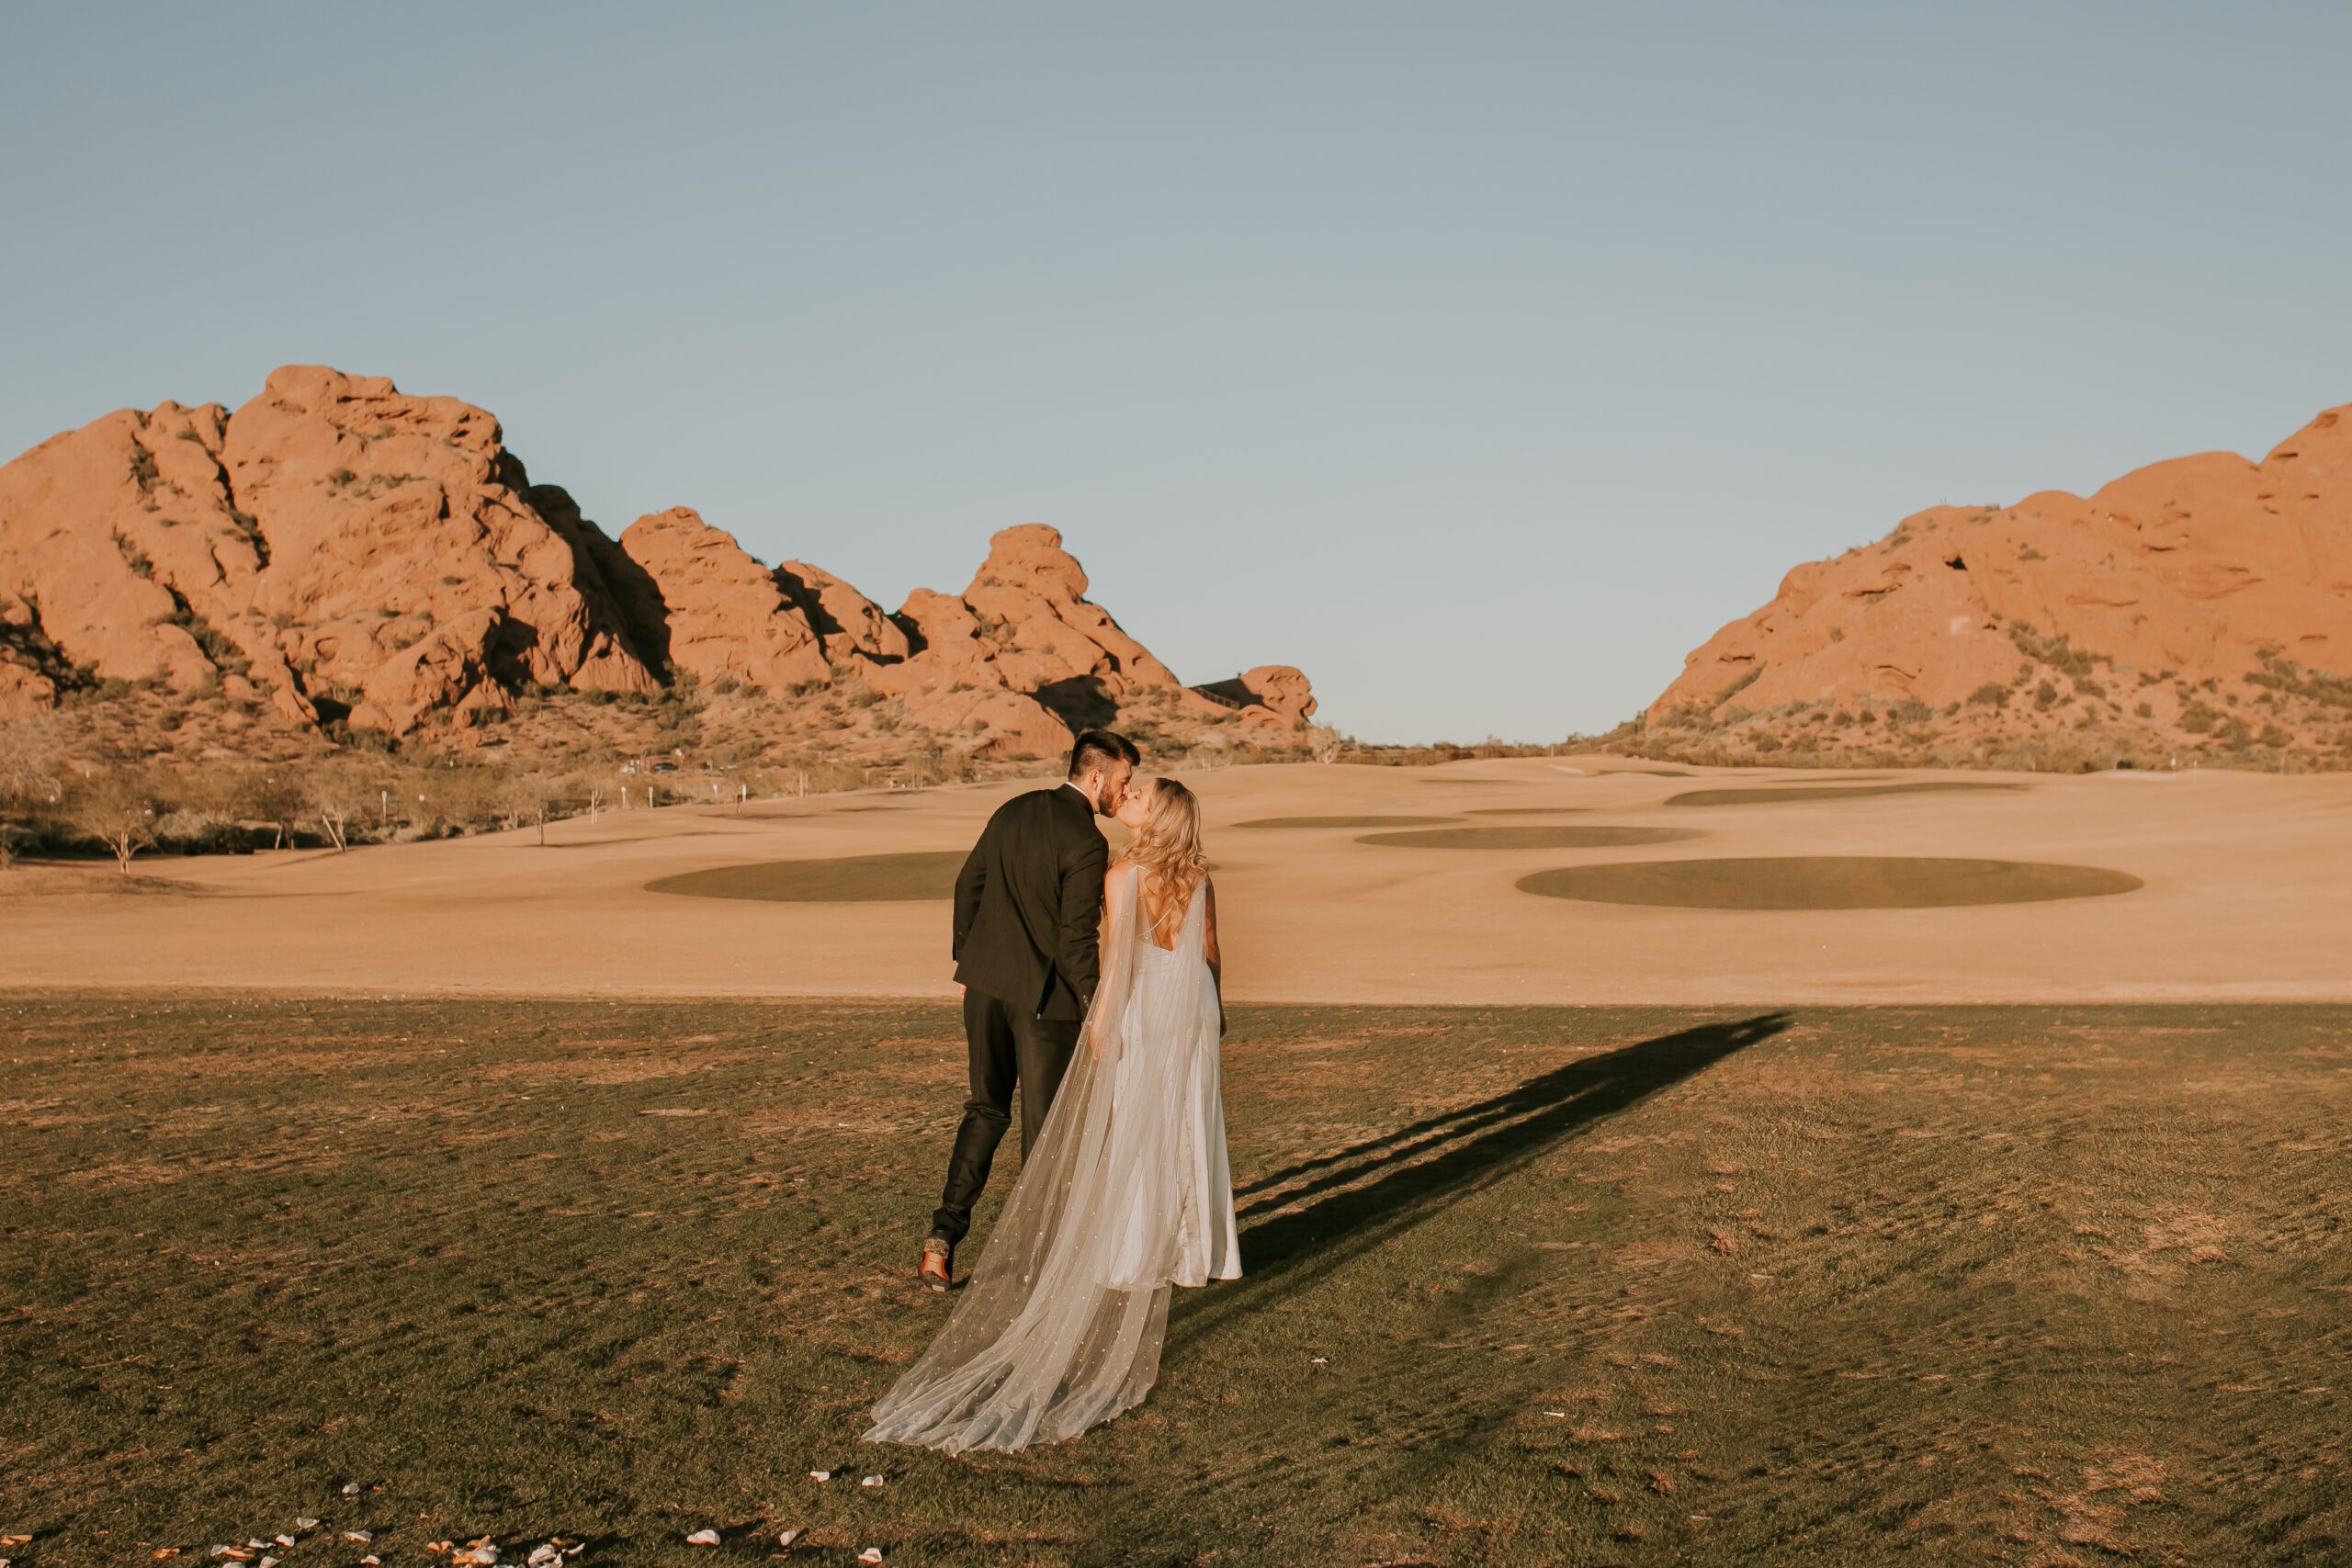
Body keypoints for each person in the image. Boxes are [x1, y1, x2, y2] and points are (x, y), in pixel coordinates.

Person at [867, 775, 1240, 1454]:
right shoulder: (1201, 878)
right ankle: (1195, 1251)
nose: (1130, 796)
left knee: (1133, 1126)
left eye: (1141, 795)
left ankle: (1132, 1250)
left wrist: (1101, 1016)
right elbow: (1210, 951)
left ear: (1154, 816)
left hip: (1142, 1005)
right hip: (1191, 1009)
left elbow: (1114, 953)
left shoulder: (1122, 871)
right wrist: (1219, 1010)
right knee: (1188, 1126)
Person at [922, 729, 1140, 1291]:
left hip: (987, 991)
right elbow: (1075, 942)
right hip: (1047, 1006)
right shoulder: (1088, 842)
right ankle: (1036, 1262)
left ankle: (941, 1239)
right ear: (1096, 777)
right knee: (1044, 1135)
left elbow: (966, 884)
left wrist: (969, 964)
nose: (1125, 791)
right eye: (1123, 780)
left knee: (985, 1111)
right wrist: (1098, 1008)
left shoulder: (1012, 810)